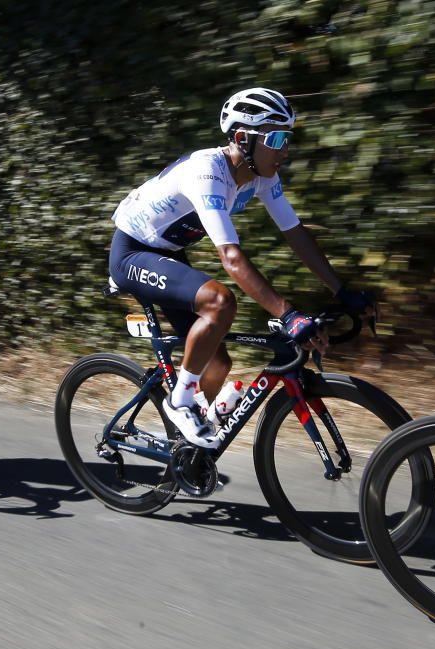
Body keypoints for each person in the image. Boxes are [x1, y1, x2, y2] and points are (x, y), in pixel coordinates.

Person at [109, 87, 374, 448]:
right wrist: (287, 313)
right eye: (277, 138)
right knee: (220, 302)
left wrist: (340, 289)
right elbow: (230, 257)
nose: (285, 149)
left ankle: (185, 450)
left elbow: (295, 234)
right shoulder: (208, 173)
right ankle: (179, 402)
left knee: (216, 362)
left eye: (288, 138)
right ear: (241, 138)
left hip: (167, 252)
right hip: (132, 252)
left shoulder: (264, 176)